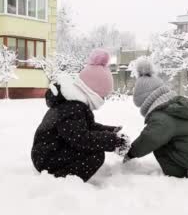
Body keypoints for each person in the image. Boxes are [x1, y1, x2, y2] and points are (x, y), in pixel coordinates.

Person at [31, 49, 130, 182]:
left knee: (93, 149)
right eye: (103, 96)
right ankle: (63, 180)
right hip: (47, 158)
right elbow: (81, 138)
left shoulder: (75, 104)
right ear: (92, 91)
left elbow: (87, 128)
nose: (103, 100)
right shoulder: (72, 108)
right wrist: (113, 141)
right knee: (95, 155)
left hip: (51, 152)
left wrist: (110, 131)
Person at [124, 58, 188, 178]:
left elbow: (149, 138)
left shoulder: (161, 116)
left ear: (147, 101)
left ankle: (177, 176)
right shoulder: (177, 106)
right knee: (186, 138)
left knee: (159, 145)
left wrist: (130, 153)